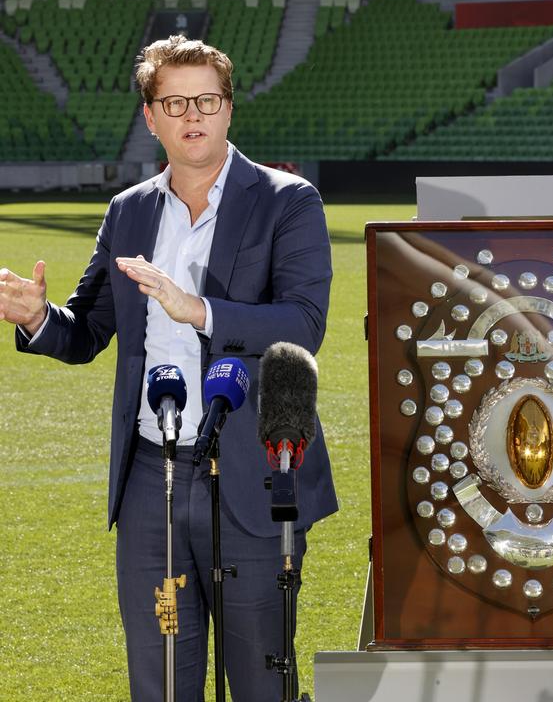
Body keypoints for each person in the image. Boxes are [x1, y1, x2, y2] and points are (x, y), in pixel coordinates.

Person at [0, 34, 338, 702]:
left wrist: (199, 309)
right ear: (150, 117)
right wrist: (38, 319)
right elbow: (89, 329)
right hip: (149, 477)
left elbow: (304, 324)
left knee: (260, 680)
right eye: (175, 102)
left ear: (229, 109)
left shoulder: (288, 200)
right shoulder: (129, 210)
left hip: (252, 475)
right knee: (159, 681)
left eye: (206, 100)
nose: (193, 116)